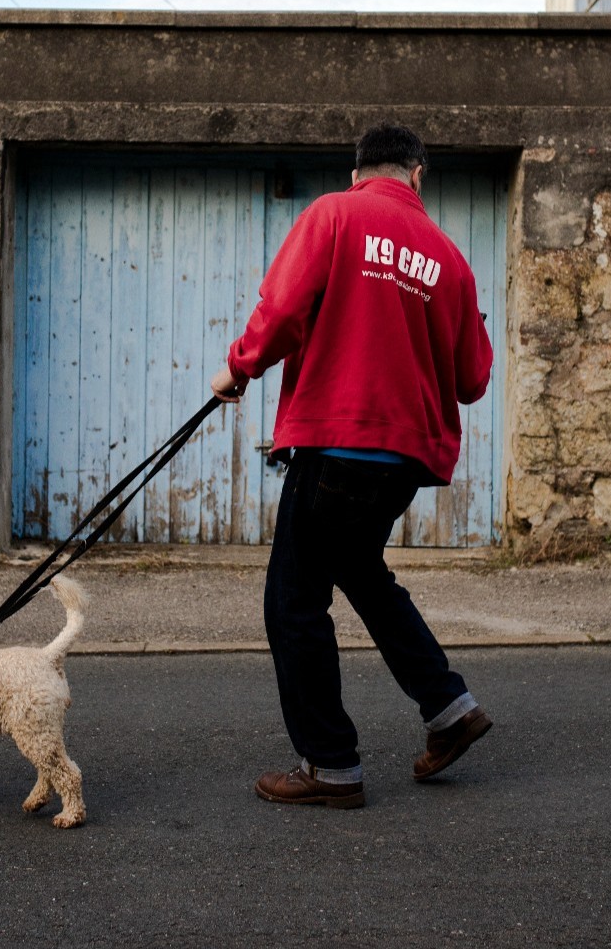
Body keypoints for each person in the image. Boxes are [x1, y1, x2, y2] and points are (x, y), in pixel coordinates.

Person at [209, 124, 494, 808]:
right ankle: (449, 708)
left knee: (294, 601)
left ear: (358, 171)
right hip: (404, 461)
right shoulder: (450, 259)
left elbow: (282, 310)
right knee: (361, 572)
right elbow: (473, 380)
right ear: (417, 174)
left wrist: (239, 369)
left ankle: (331, 764)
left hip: (338, 445)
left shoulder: (334, 215)